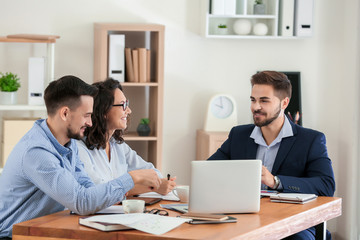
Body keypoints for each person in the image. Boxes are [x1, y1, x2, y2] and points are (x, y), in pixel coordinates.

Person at [0, 75, 161, 239]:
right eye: (86, 115)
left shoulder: (68, 145)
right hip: (15, 236)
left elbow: (88, 192)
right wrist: (130, 179)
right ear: (65, 113)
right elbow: (82, 202)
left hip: (45, 229)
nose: (91, 123)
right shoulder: (37, 153)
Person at [208, 71, 335, 240]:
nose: (256, 107)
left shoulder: (311, 140)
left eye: (264, 101)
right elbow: (209, 171)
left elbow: (326, 186)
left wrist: (276, 181)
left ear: (284, 103)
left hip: (293, 224)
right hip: (242, 218)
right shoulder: (239, 135)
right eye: (253, 100)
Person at [77, 78, 176, 195]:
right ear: (103, 111)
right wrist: (151, 187)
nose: (129, 110)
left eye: (127, 104)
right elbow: (100, 192)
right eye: (123, 105)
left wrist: (147, 184)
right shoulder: (79, 148)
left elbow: (153, 172)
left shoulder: (117, 145)